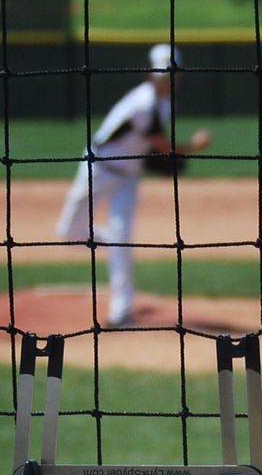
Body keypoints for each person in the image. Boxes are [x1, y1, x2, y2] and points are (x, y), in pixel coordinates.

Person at [56, 43, 212, 328]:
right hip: (98, 170)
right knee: (68, 234)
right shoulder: (145, 104)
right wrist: (196, 146)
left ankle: (121, 309)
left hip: (128, 177)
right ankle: (117, 244)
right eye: (163, 75)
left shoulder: (165, 102)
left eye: (172, 75)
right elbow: (164, 148)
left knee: (122, 235)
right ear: (152, 75)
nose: (168, 80)